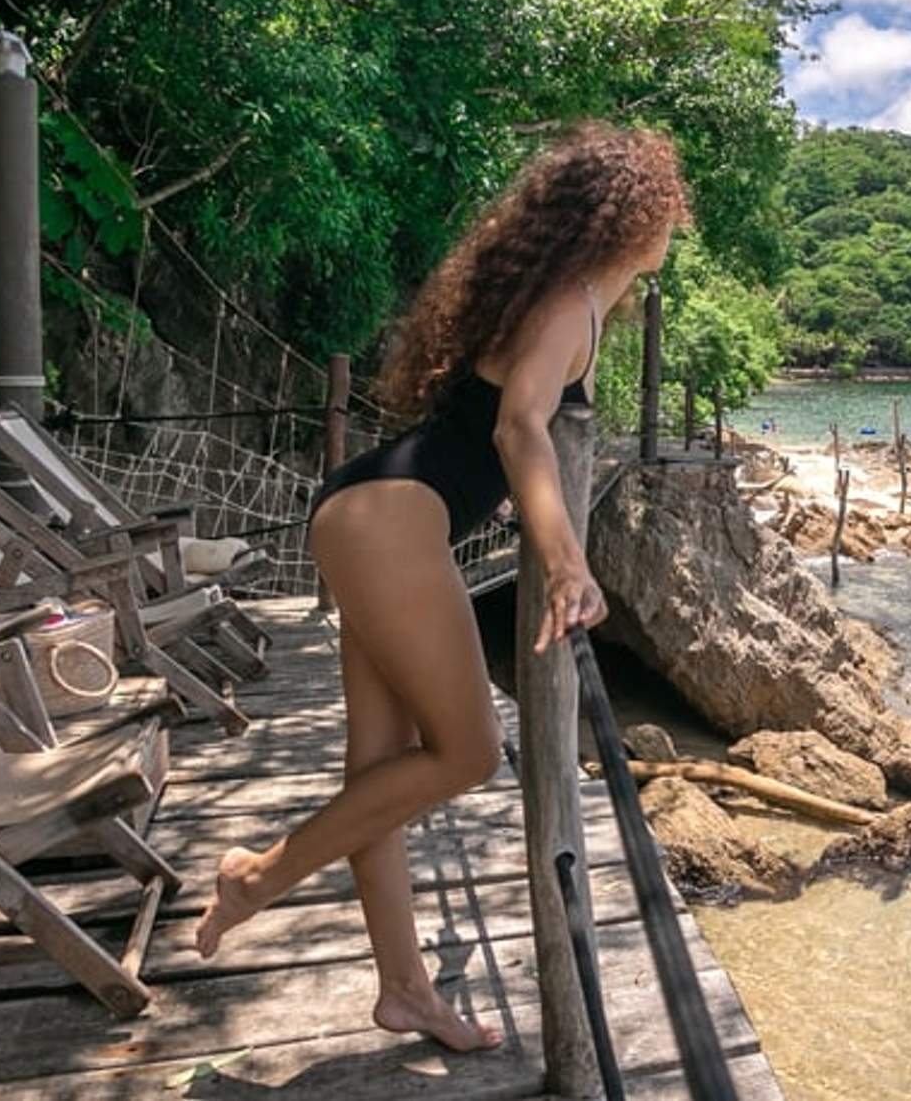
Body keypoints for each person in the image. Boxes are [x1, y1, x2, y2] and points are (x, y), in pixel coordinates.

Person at [192, 122, 691, 1052]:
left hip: (370, 511)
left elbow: (486, 435)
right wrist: (567, 560)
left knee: (379, 776)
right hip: (389, 524)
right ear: (636, 216)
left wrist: (508, 508)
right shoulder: (572, 305)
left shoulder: (559, 300)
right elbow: (519, 430)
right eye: (672, 205)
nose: (679, 224)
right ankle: (261, 877)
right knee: (464, 754)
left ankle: (406, 991)